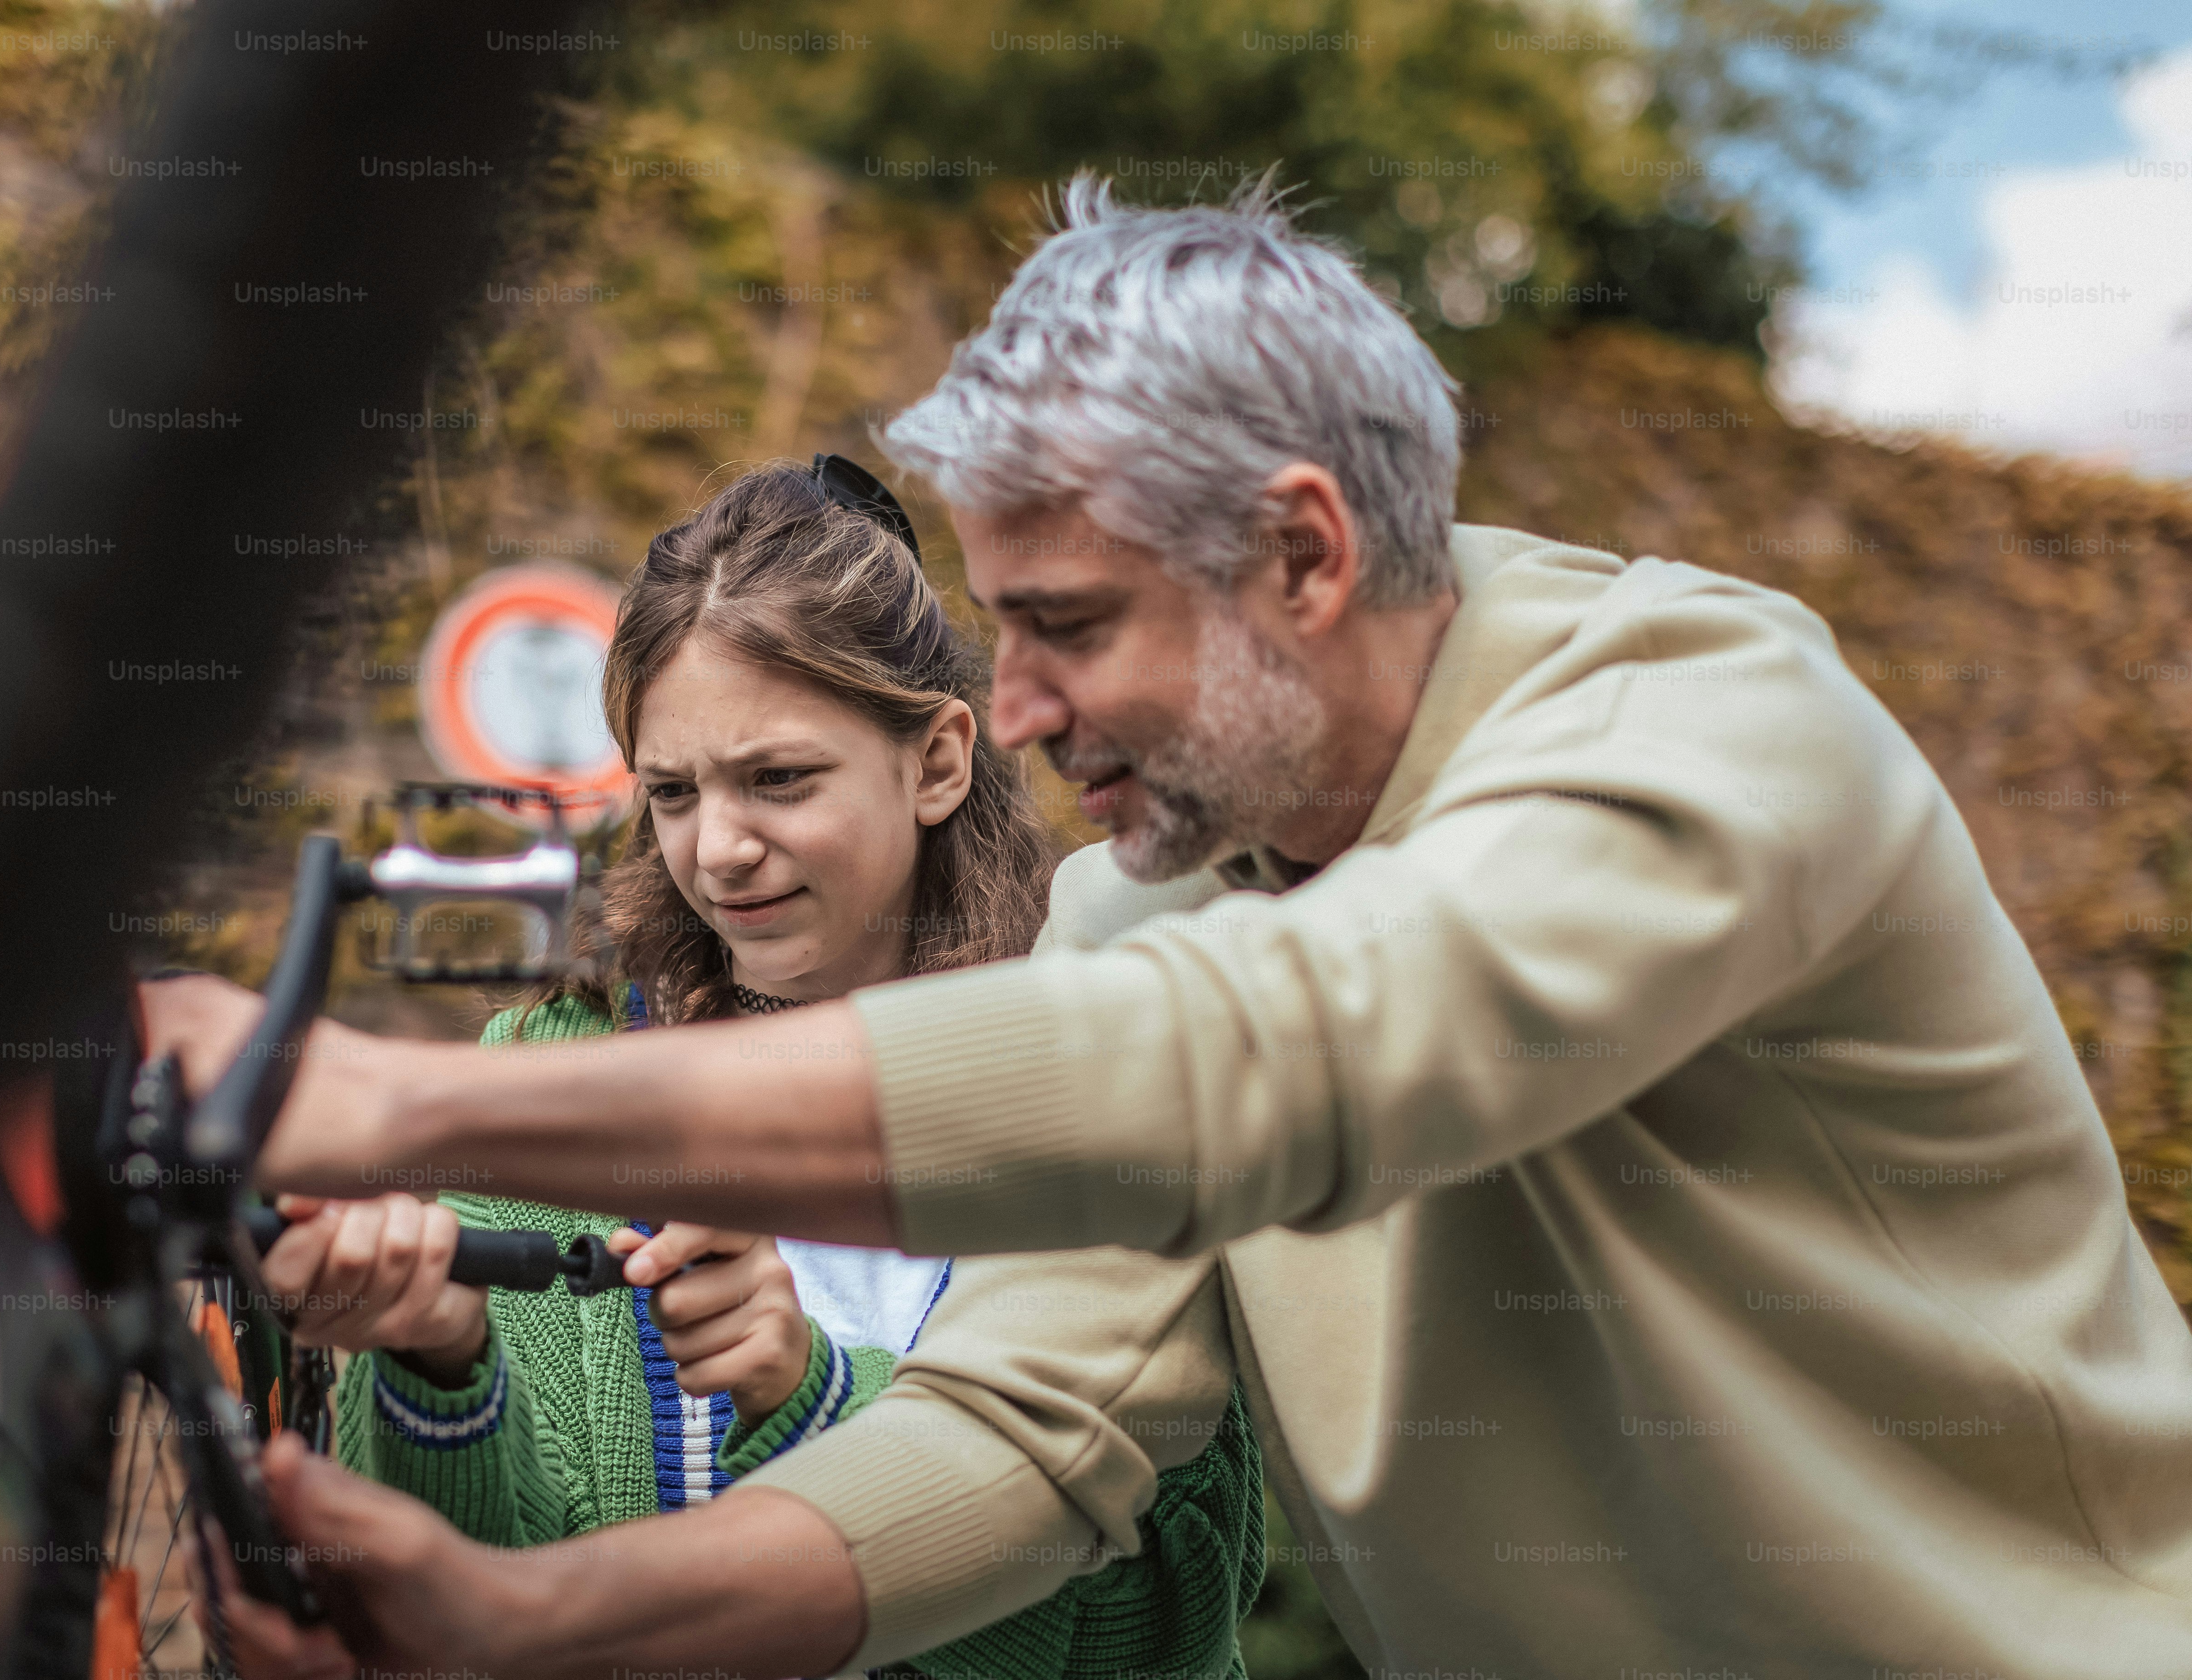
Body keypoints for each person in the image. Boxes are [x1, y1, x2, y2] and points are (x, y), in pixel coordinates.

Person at [163, 173, 2192, 1680]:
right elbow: (1029, 1436)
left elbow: (1285, 1065)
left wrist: (395, 1111)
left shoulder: (1705, 723)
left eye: (1067, 630)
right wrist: (538, 1622)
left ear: (1303, 554)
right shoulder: (1145, 908)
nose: (1016, 717)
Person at [236, 457, 1264, 1680]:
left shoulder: (1096, 1082)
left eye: (780, 779)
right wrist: (438, 1364)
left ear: (936, 761)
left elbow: (1165, 1615)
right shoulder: (551, 1082)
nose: (719, 852)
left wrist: (811, 1396)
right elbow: (458, 1615)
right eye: (673, 793)